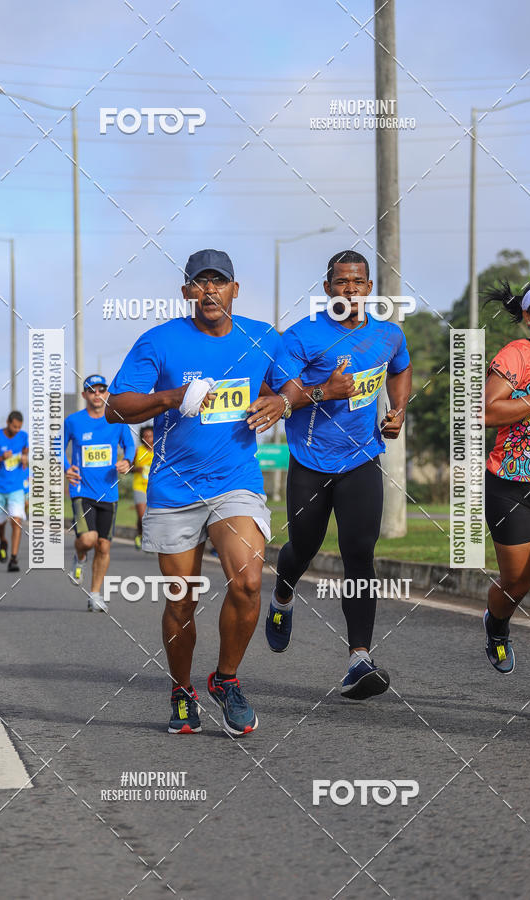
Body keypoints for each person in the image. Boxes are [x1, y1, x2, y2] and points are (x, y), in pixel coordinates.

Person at [106, 248, 302, 737]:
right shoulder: (160, 341)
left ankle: (226, 679)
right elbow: (115, 407)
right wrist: (172, 397)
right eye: (199, 283)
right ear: (187, 292)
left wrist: (281, 399)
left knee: (249, 582)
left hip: (234, 481)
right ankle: (181, 690)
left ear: (235, 289)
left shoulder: (262, 338)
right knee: (181, 599)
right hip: (174, 488)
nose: (209, 291)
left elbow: (296, 387)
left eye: (219, 282)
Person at [265, 250, 412, 700]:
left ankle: (358, 659)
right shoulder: (303, 337)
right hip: (310, 460)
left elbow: (401, 369)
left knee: (359, 554)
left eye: (358, 281)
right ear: (327, 288)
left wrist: (398, 410)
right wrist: (325, 389)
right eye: (341, 281)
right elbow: (279, 398)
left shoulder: (388, 335)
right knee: (304, 546)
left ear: (369, 288)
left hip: (362, 458)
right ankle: (282, 596)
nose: (350, 289)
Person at [483, 277, 530, 673]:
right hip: (512, 486)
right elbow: (488, 412)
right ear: (529, 316)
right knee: (517, 584)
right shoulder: (518, 353)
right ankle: (497, 624)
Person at [64, 374, 135, 611]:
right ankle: (80, 557)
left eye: (101, 390)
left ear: (107, 394)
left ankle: (94, 594)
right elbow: (57, 446)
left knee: (104, 546)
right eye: (91, 390)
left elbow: (130, 446)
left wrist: (127, 461)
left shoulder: (117, 420)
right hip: (81, 490)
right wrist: (66, 468)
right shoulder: (73, 421)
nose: (97, 394)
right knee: (88, 539)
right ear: (84, 395)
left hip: (110, 493)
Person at [0, 411, 28, 572]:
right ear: (8, 422)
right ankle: (3, 540)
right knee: (1, 522)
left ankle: (14, 559)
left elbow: (26, 449)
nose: (16, 430)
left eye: (19, 427)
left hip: (16, 486)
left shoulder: (23, 436)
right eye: (14, 426)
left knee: (16, 521)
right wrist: (1, 458)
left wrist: (24, 457)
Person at [131, 425, 153, 550]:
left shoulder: (160, 451)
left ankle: (150, 539)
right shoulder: (138, 451)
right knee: (142, 516)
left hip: (154, 488)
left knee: (154, 516)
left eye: (150, 436)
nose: (148, 439)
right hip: (139, 486)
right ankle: (140, 534)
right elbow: (129, 468)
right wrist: (136, 469)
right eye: (145, 437)